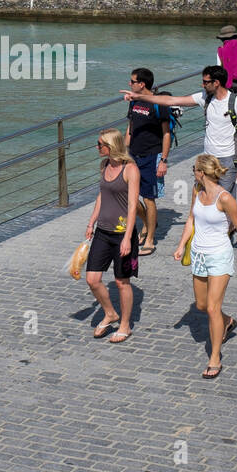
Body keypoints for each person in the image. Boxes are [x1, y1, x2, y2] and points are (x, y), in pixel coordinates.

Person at [172, 155, 237, 379]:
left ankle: (215, 358)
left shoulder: (225, 199)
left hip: (220, 256)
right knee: (202, 305)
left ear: (201, 172)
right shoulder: (197, 191)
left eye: (194, 169)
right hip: (198, 255)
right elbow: (190, 221)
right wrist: (181, 245)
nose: (192, 172)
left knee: (213, 307)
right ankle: (227, 321)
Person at [125, 66, 237, 198]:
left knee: (225, 200)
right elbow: (171, 100)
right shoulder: (205, 97)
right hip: (206, 158)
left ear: (216, 83)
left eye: (205, 82)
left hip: (227, 159)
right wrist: (139, 97)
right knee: (203, 199)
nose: (202, 84)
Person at [83, 129, 141, 343]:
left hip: (122, 234)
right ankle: (110, 313)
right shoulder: (105, 165)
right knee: (92, 279)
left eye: (100, 144)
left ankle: (125, 325)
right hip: (103, 232)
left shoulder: (130, 169)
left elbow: (134, 206)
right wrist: (91, 222)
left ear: (111, 145)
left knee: (121, 281)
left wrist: (127, 238)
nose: (97, 147)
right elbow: (102, 195)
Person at [124, 68, 170, 257]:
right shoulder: (134, 100)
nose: (130, 84)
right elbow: (130, 127)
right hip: (133, 154)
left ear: (142, 84)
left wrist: (164, 161)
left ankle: (150, 238)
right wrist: (123, 153)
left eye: (132, 81)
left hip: (152, 155)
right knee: (130, 197)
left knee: (148, 198)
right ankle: (146, 224)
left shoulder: (159, 104)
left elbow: (167, 133)